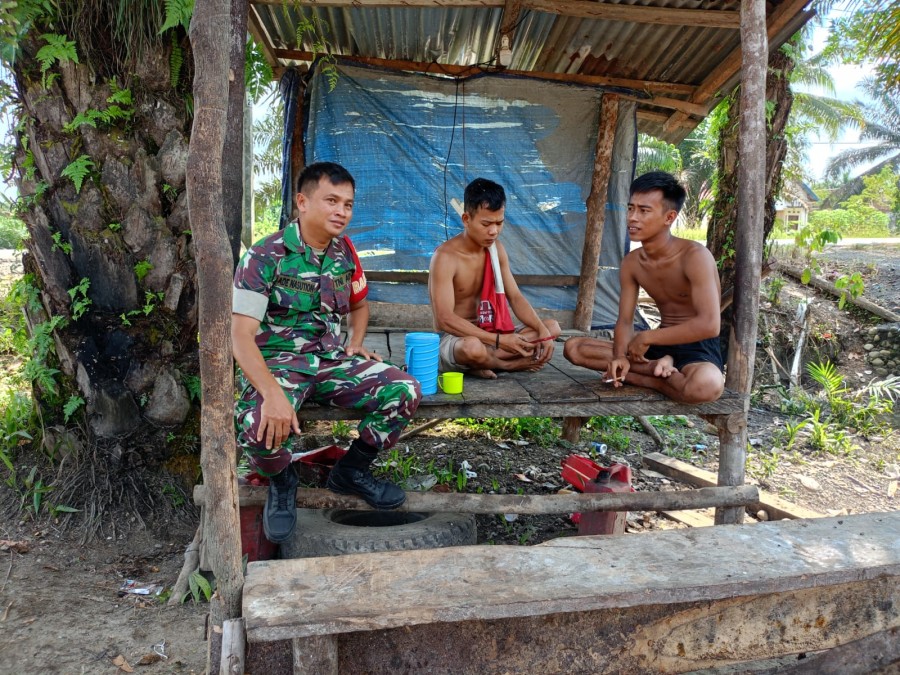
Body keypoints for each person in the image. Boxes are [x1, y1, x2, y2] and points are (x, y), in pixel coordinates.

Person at [232, 162, 421, 543]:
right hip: (280, 365)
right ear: (302, 202)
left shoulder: (344, 254)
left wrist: (355, 341)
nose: (342, 212)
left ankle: (351, 471)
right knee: (257, 425)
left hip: (332, 361)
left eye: (348, 204)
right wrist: (271, 394)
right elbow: (239, 336)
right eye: (332, 201)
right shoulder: (265, 256)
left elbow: (359, 305)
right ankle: (282, 482)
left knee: (405, 390)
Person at [563, 171, 724, 403]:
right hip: (656, 347)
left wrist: (648, 337)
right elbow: (625, 321)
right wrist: (619, 356)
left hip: (696, 350)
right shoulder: (632, 262)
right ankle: (657, 371)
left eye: (644, 211)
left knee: (705, 386)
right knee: (574, 347)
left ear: (669, 217)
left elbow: (709, 325)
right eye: (630, 208)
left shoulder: (695, 256)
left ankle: (648, 377)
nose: (632, 218)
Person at [429, 178, 561, 379]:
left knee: (552, 327)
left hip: (492, 334)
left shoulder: (496, 249)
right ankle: (506, 365)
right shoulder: (445, 257)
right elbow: (444, 319)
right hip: (457, 339)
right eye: (486, 223)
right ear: (466, 219)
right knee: (472, 347)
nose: (494, 231)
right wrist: (500, 341)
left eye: (499, 223)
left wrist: (542, 331)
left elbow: (515, 297)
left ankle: (483, 362)